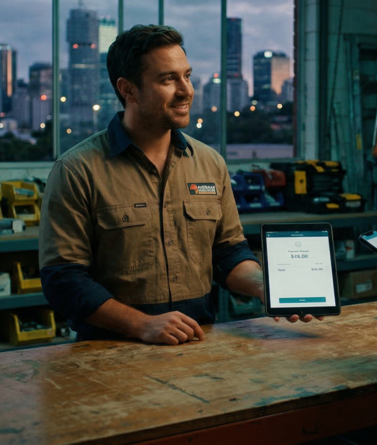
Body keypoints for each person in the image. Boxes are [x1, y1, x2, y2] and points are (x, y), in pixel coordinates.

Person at [39, 24, 316, 345]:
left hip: (198, 344)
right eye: (168, 79)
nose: (186, 90)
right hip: (111, 353)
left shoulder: (210, 163)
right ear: (128, 89)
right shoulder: (77, 170)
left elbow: (228, 252)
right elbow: (63, 279)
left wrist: (267, 286)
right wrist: (141, 324)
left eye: (187, 75)